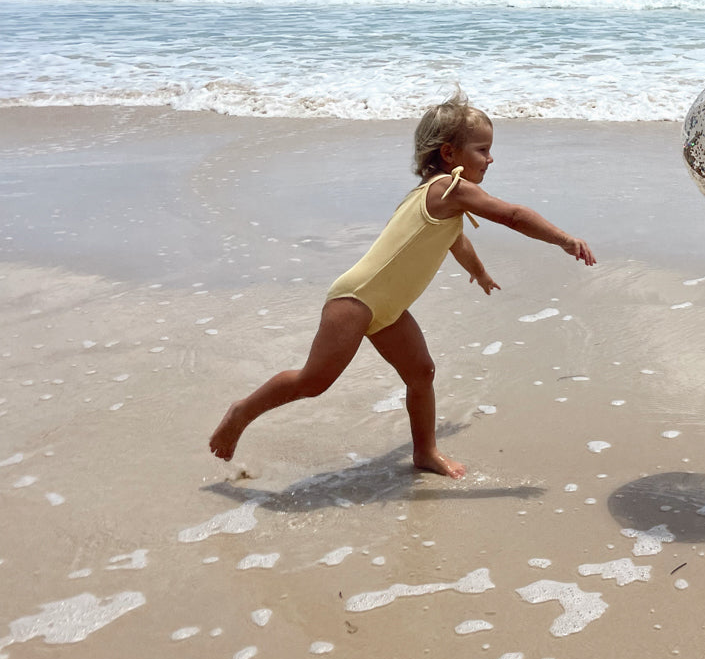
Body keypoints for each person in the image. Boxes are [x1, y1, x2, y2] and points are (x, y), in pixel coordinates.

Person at [209, 92, 595, 477]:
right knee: (313, 382)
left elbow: (454, 240)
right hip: (355, 301)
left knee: (420, 372)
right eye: (482, 149)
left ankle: (425, 452)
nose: (490, 159)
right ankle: (241, 412)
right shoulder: (450, 188)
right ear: (449, 152)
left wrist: (477, 271)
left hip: (387, 309)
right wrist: (564, 239)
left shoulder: (439, 198)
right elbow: (512, 215)